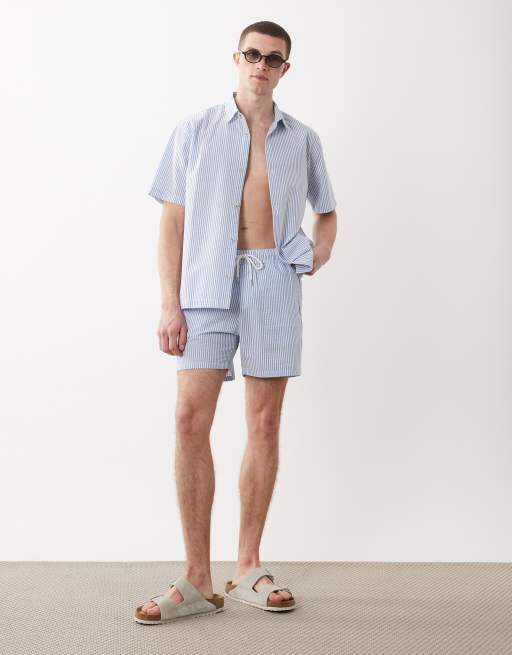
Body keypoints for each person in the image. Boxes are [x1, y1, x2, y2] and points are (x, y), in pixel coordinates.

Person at [134, 20, 338, 624]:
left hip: (274, 280)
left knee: (265, 423)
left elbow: (327, 210)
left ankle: (248, 566)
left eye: (273, 59)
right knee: (189, 419)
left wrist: (315, 253)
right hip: (204, 285)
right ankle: (197, 579)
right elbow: (172, 220)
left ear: (285, 69)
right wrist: (169, 302)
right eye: (253, 54)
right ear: (236, 58)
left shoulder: (302, 139)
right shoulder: (195, 130)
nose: (261, 65)